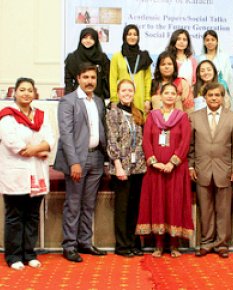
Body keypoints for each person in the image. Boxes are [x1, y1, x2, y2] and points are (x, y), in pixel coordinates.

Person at [54, 63, 108, 263]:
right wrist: (73, 162)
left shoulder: (99, 102)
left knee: (88, 204)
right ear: (78, 78)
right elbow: (66, 135)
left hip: (96, 159)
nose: (89, 81)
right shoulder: (68, 101)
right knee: (73, 204)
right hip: (77, 160)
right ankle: (69, 245)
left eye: (93, 77)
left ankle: (85, 241)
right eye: (85, 77)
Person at [0, 77, 54, 270]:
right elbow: (13, 143)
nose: (26, 93)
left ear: (34, 93)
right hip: (15, 173)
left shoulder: (41, 115)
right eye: (22, 90)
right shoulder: (6, 116)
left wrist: (36, 149)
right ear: (14, 92)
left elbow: (50, 139)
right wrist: (36, 150)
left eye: (29, 90)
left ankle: (29, 253)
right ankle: (13, 256)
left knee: (32, 215)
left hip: (36, 173)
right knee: (14, 216)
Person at [136, 83, 193, 258]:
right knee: (158, 204)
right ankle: (159, 244)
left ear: (177, 97)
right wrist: (154, 162)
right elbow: (146, 141)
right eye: (166, 93)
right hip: (156, 170)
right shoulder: (152, 117)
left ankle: (174, 245)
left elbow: (185, 142)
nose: (169, 96)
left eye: (172, 93)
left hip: (176, 169)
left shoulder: (182, 117)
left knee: (174, 203)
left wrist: (172, 163)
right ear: (160, 96)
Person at [189, 82, 233, 258]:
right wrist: (191, 166)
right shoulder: (194, 117)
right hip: (201, 169)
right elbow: (190, 146)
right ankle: (206, 242)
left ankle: (222, 244)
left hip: (225, 170)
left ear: (222, 97)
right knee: (205, 209)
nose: (214, 98)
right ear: (205, 97)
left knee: (223, 209)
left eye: (217, 95)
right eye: (210, 95)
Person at [106, 79, 146, 257]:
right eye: (124, 90)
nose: (127, 93)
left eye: (130, 90)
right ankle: (122, 246)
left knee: (134, 207)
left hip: (138, 167)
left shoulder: (138, 113)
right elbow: (112, 140)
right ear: (118, 92)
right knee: (122, 208)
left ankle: (132, 243)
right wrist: (117, 165)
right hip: (121, 168)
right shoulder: (113, 113)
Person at [110, 24, 153, 117]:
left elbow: (147, 80)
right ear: (124, 36)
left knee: (139, 127)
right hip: (122, 98)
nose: (132, 37)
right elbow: (112, 79)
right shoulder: (117, 56)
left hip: (139, 99)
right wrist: (114, 100)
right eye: (129, 34)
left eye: (135, 34)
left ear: (138, 37)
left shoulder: (144, 57)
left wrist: (147, 99)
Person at [64, 27, 110, 100]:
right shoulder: (72, 58)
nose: (88, 41)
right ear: (80, 39)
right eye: (85, 38)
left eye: (91, 38)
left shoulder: (102, 58)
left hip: (98, 98)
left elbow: (107, 78)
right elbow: (68, 80)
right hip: (78, 98)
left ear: (96, 40)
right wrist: (69, 99)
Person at [197, 30, 233, 99]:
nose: (210, 42)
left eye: (213, 40)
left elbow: (227, 76)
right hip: (203, 92)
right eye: (207, 40)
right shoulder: (200, 58)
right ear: (204, 42)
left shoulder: (224, 57)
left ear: (217, 42)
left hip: (220, 91)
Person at [166, 29, 197, 96]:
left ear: (188, 43)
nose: (181, 42)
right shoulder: (167, 58)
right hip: (170, 94)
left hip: (188, 95)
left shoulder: (192, 60)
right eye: (179, 39)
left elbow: (195, 81)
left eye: (184, 40)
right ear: (174, 40)